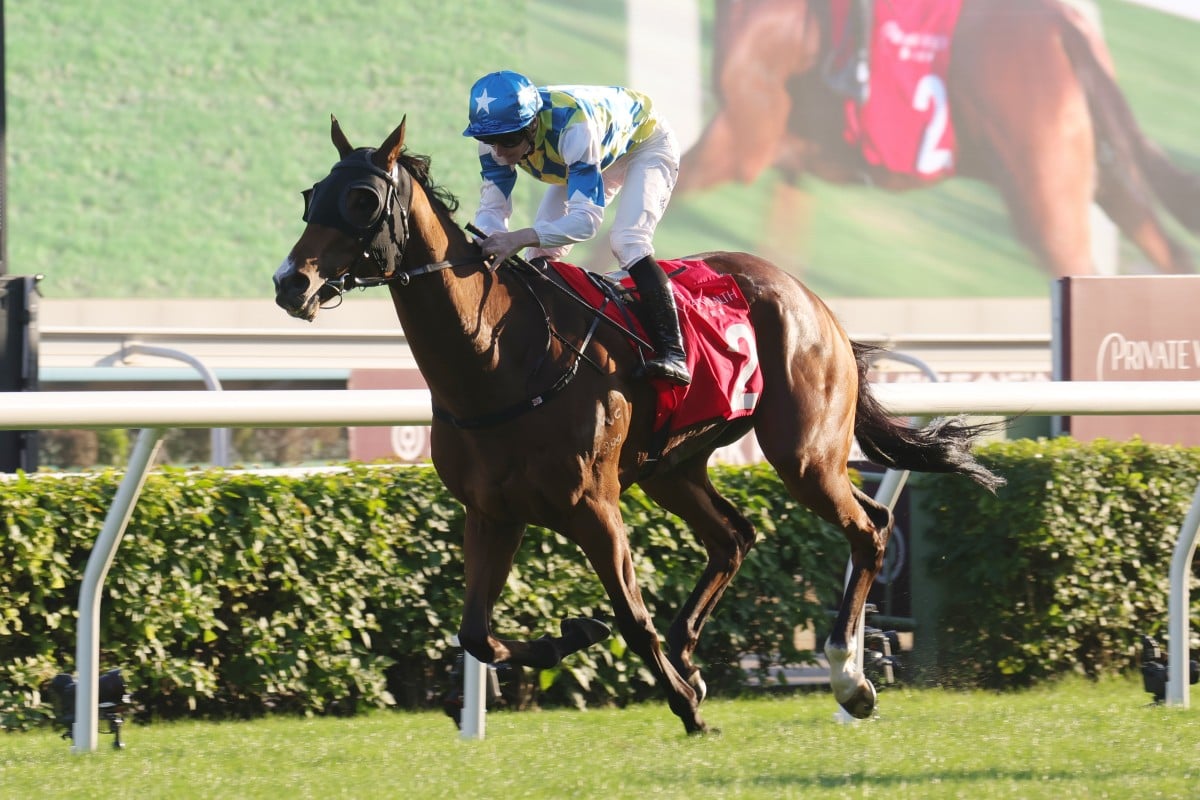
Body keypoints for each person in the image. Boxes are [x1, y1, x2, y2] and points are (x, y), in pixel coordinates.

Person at [462, 70, 690, 386]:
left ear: (531, 126)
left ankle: (673, 352)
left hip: (644, 145)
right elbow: (491, 214)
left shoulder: (573, 130)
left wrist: (517, 237)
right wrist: (482, 245)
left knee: (628, 240)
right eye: (489, 140)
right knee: (539, 252)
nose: (498, 151)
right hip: (591, 154)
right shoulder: (494, 143)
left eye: (509, 140)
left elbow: (586, 222)